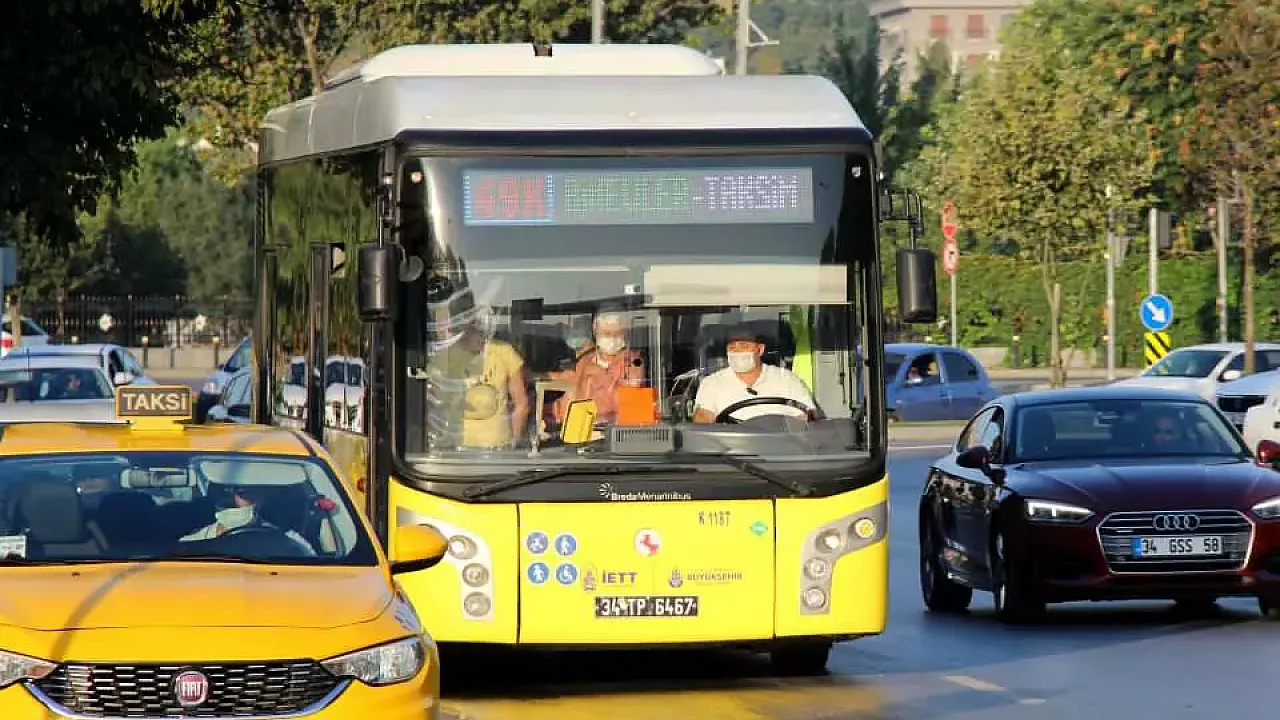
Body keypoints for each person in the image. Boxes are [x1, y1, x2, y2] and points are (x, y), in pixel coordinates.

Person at [425, 294, 530, 449]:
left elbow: (521, 404)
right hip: (453, 449)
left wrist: (514, 441)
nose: (476, 330)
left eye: (478, 325)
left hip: (497, 448)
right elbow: (430, 403)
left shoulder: (505, 352)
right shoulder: (443, 358)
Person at [692, 325, 820, 424]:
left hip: (782, 446)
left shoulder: (787, 379)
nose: (737, 351)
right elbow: (703, 418)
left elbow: (808, 417)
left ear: (760, 349)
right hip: (731, 449)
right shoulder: (712, 383)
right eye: (732, 347)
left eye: (744, 346)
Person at [553, 311, 646, 424]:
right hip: (580, 428)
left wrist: (601, 374)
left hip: (610, 431)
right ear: (595, 330)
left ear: (625, 333)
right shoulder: (586, 360)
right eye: (607, 333)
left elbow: (629, 405)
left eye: (618, 333)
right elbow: (571, 387)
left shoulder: (633, 363)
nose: (612, 338)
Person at [180, 484, 315, 554]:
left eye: (243, 492)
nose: (231, 499)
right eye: (224, 492)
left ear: (262, 497)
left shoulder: (293, 544)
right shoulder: (191, 544)